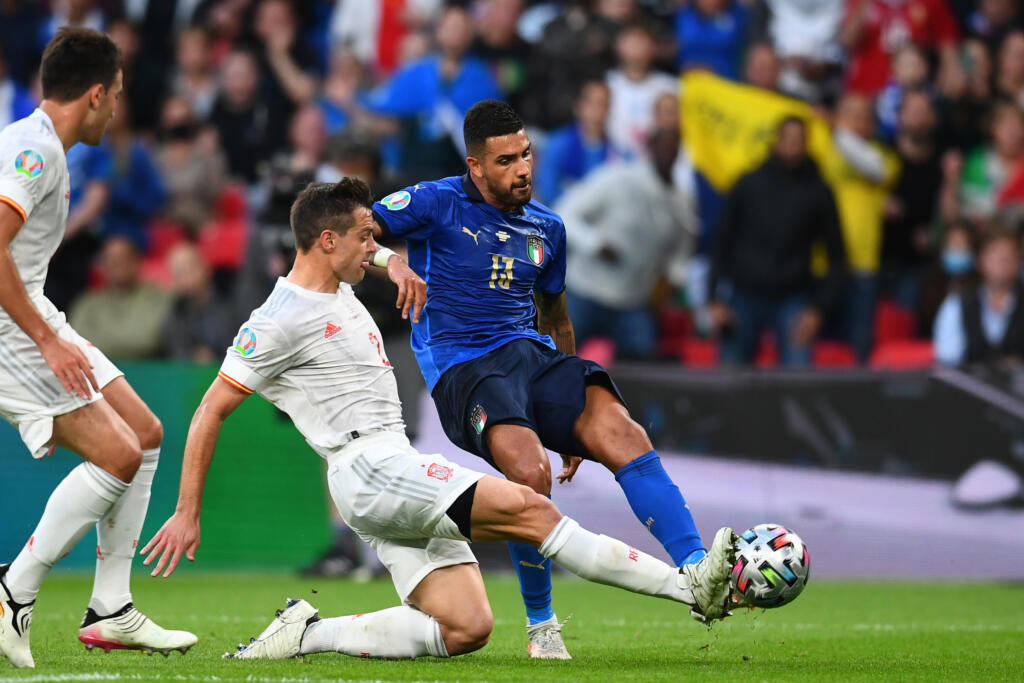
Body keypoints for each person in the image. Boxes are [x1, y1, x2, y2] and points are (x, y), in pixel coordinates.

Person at [140, 178, 739, 663]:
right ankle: (687, 587)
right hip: (368, 465)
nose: (375, 249)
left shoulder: (337, 279)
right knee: (533, 510)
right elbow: (209, 411)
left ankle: (308, 633)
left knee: (466, 626)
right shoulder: (276, 321)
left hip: (384, 468)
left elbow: (365, 246)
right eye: (363, 241)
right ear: (326, 241)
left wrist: (390, 263)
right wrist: (188, 511)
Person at [369, 100, 734, 659]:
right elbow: (353, 226)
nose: (523, 169)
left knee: (624, 432)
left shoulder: (548, 226)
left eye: (526, 154)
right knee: (527, 473)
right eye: (507, 160)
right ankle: (542, 626)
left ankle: (696, 571)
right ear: (476, 166)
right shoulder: (435, 201)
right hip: (464, 368)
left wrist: (569, 414)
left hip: (533, 357)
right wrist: (390, 262)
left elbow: (558, 318)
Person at [0, 28, 196, 669]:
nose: (115, 110)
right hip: (13, 328)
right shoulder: (34, 152)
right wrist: (44, 343)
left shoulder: (42, 147)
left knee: (144, 431)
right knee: (116, 454)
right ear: (92, 94)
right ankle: (13, 590)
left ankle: (110, 609)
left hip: (35, 314)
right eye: (113, 96)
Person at [708, 117, 846, 366]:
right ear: (775, 142)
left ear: (807, 145)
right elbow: (722, 243)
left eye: (799, 140)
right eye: (787, 138)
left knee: (798, 379)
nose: (792, 145)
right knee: (727, 379)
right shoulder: (747, 184)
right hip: (744, 294)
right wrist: (713, 299)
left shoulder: (819, 191)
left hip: (794, 297)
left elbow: (837, 255)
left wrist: (818, 310)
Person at [556, 126, 696, 359]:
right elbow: (564, 213)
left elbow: (682, 250)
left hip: (631, 299)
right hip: (584, 290)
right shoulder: (617, 178)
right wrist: (596, 244)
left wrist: (673, 278)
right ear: (649, 147)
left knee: (641, 369)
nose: (668, 152)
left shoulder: (680, 200)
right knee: (556, 357)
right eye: (663, 145)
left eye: (674, 146)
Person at [934, 225, 1024, 367]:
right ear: (981, 260)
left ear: (1018, 262)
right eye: (995, 254)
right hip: (968, 386)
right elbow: (947, 362)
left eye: (1009, 256)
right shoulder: (957, 303)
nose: (1002, 261)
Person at [69, 236, 171, 359]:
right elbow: (77, 344)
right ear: (102, 266)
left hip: (150, 372)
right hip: (98, 373)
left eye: (123, 258)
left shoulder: (157, 297)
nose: (117, 265)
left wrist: (106, 341)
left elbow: (147, 340)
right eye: (111, 260)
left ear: (137, 261)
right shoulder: (88, 303)